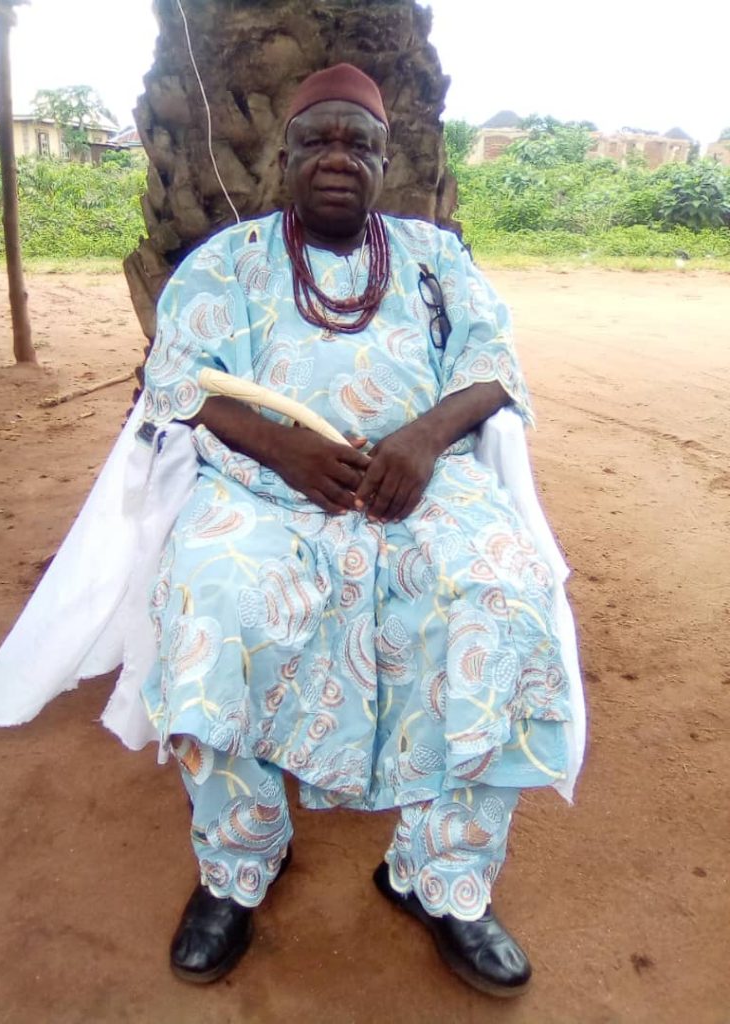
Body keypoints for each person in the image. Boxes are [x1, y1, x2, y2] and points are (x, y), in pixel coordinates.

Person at [136, 63, 580, 997]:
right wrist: (282, 448)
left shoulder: (434, 256)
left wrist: (423, 440)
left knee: (504, 590)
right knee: (212, 594)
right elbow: (176, 378)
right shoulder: (227, 261)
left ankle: (442, 875)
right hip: (266, 490)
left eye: (360, 144)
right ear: (285, 157)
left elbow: (495, 365)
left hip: (420, 483)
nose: (338, 157)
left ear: (386, 160)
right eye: (319, 140)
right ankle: (239, 861)